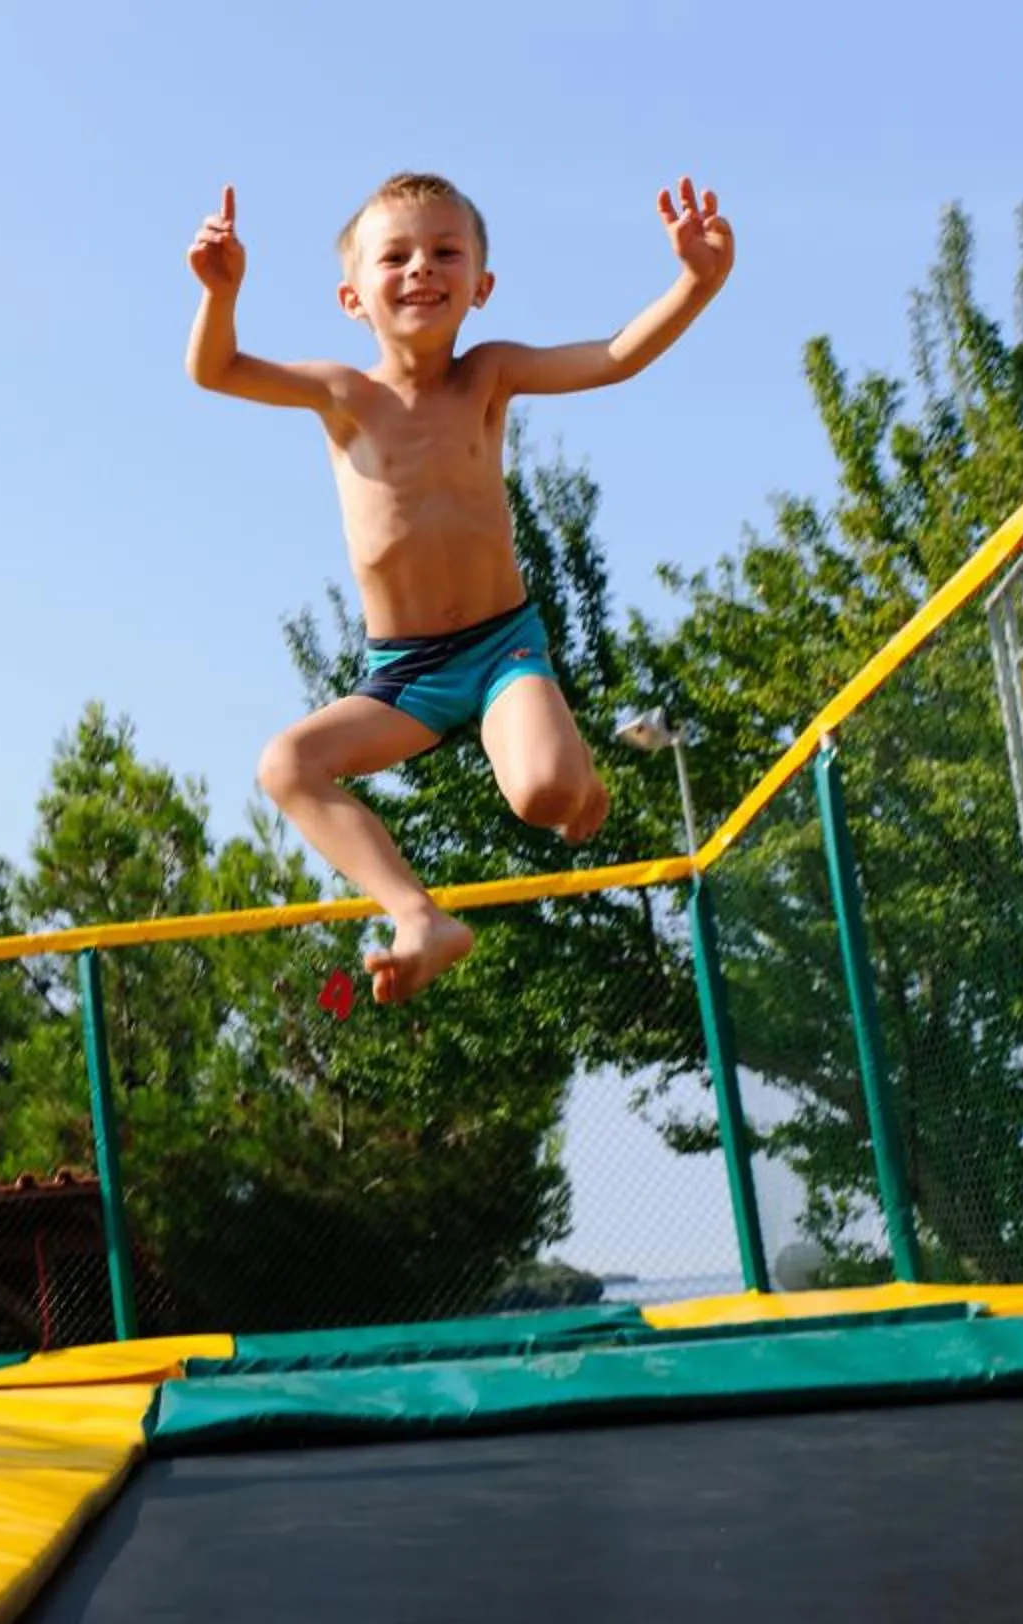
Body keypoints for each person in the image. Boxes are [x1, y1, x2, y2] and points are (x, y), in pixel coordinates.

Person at [187, 169, 734, 1003]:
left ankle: (581, 781)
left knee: (547, 796)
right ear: (352, 297)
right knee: (287, 765)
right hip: (403, 674)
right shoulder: (344, 394)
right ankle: (418, 918)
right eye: (395, 256)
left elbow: (615, 357)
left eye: (446, 253)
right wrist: (221, 293)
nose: (421, 270)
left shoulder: (489, 375)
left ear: (480, 286)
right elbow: (217, 368)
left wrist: (696, 282)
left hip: (501, 644)